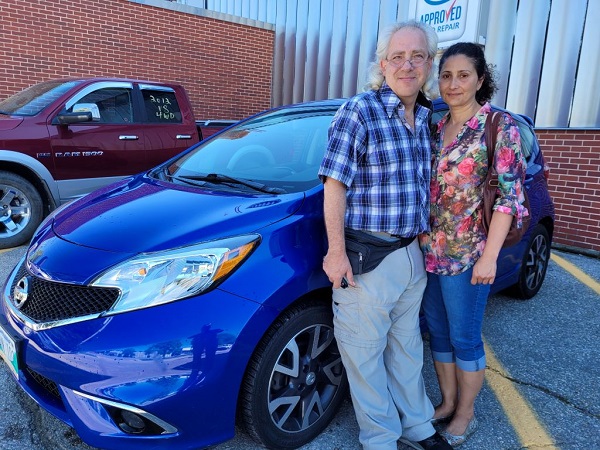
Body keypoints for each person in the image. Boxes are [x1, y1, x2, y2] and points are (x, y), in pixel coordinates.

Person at [318, 20, 451, 450]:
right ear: (383, 63)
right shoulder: (360, 111)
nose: (407, 65)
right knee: (364, 357)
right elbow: (334, 183)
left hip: (411, 256)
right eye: (398, 56)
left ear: (429, 63)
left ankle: (418, 425)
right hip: (367, 259)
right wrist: (335, 252)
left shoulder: (426, 118)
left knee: (407, 349)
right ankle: (379, 440)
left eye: (417, 56)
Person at [419, 42, 528, 446]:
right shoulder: (434, 124)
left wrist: (491, 257)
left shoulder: (499, 126)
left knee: (464, 336)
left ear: (481, 79)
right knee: (439, 332)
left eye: (463, 75)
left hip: (470, 254)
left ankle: (467, 413)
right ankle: (447, 402)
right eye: (446, 75)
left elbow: (507, 197)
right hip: (429, 251)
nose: (453, 83)